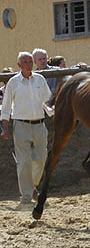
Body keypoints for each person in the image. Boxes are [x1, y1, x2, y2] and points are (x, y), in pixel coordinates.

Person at [1, 52, 52, 208]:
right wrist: (5, 128)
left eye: (30, 61)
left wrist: (53, 111)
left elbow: (47, 100)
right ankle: (27, 195)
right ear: (19, 65)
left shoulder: (40, 79)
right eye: (25, 61)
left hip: (39, 124)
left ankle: (32, 186)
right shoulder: (13, 83)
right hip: (21, 125)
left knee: (41, 158)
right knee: (23, 162)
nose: (29, 64)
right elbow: (7, 106)